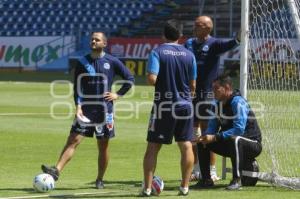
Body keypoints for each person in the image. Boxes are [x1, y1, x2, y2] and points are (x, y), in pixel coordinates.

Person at [41, 32, 134, 189]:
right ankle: (56, 171)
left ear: (104, 44)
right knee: (73, 140)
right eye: (92, 39)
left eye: (97, 40)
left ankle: (99, 179)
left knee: (103, 146)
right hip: (86, 110)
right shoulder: (82, 62)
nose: (93, 41)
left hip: (105, 111)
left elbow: (129, 79)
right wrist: (78, 105)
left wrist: (117, 94)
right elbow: (77, 87)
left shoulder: (112, 61)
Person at [141, 19, 197, 196]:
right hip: (185, 105)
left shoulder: (157, 52)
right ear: (181, 36)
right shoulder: (189, 55)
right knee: (186, 145)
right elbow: (193, 85)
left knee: (153, 147)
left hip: (164, 106)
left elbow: (152, 79)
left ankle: (148, 188)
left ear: (163, 35)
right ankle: (185, 187)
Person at [185, 15, 240, 182]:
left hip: (208, 95)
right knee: (192, 134)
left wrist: (240, 33)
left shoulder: (215, 44)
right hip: (190, 94)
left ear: (208, 28)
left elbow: (233, 42)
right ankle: (196, 169)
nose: (194, 27)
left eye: (198, 24)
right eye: (194, 24)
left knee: (208, 132)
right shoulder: (188, 43)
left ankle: (212, 170)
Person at [193, 75, 262, 190]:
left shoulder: (238, 102)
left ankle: (236, 180)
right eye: (212, 88)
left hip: (252, 144)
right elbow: (212, 127)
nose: (213, 91)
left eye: (216, 88)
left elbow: (239, 129)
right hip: (230, 143)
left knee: (235, 139)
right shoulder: (216, 105)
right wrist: (205, 137)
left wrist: (215, 137)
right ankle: (206, 180)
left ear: (227, 87)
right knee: (202, 142)